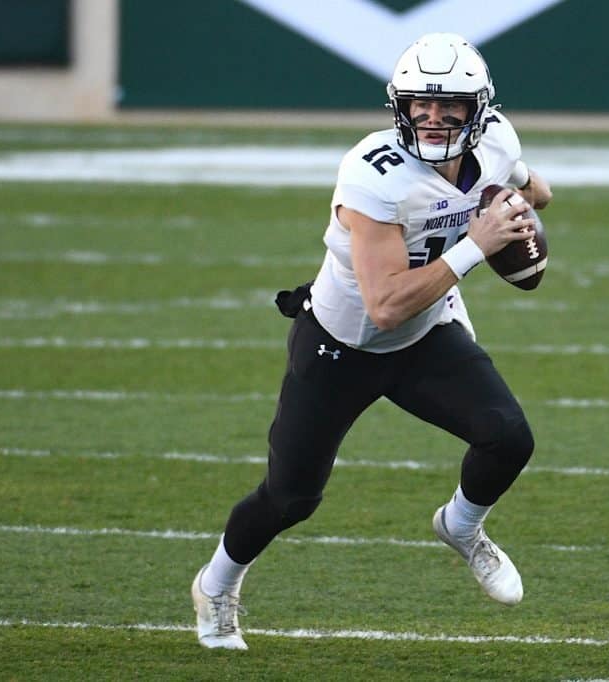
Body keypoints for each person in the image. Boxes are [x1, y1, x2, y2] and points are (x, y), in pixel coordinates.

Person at [191, 32, 553, 650]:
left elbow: (534, 190)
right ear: (398, 105)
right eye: (420, 104)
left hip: (428, 329)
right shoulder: (375, 175)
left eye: (450, 106)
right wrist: (476, 244)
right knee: (291, 497)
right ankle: (217, 585)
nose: (432, 118)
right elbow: (384, 306)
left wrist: (513, 211)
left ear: (480, 110)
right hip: (343, 342)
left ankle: (462, 528)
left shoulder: (495, 142)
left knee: (508, 436)